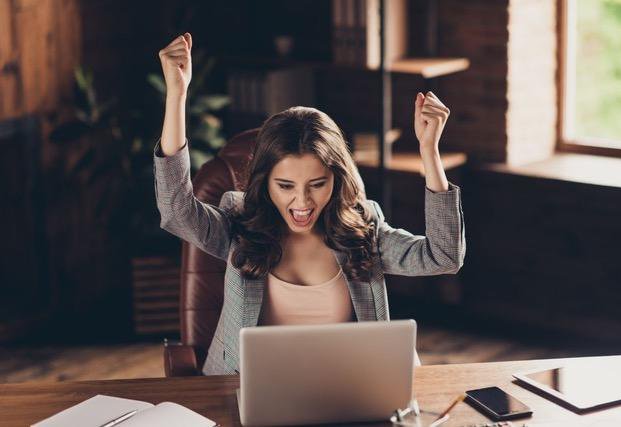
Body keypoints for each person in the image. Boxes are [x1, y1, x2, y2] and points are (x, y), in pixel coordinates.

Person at [154, 33, 466, 375]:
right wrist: (177, 97)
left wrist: (429, 153)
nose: (301, 202)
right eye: (285, 185)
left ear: (337, 179)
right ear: (264, 181)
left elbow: (444, 256)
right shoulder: (238, 223)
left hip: (347, 387)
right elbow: (176, 211)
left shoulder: (364, 228)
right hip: (245, 389)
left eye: (317, 184)